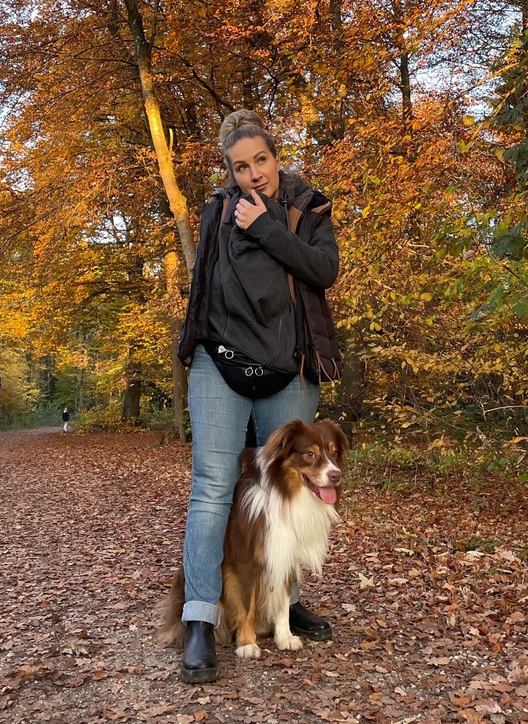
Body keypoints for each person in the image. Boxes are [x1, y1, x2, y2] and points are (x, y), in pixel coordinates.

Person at [177, 109, 342, 684]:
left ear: (277, 157)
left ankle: (282, 602)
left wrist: (268, 226)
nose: (254, 175)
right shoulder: (218, 210)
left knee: (292, 493)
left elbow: (324, 270)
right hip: (220, 363)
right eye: (241, 167)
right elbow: (207, 284)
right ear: (230, 171)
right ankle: (199, 619)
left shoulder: (308, 206)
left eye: (262, 161)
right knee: (215, 487)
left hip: (291, 368)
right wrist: (192, 345)